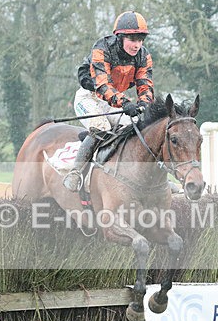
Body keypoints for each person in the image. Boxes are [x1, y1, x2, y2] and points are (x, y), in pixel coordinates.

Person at [63, 11, 155, 191]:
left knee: (138, 127)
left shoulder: (144, 56)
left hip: (114, 100)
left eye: (140, 39)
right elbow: (102, 85)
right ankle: (74, 173)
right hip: (90, 97)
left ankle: (149, 179)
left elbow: (146, 85)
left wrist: (144, 104)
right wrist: (125, 103)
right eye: (132, 39)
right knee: (102, 127)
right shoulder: (102, 48)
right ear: (120, 37)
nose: (137, 45)